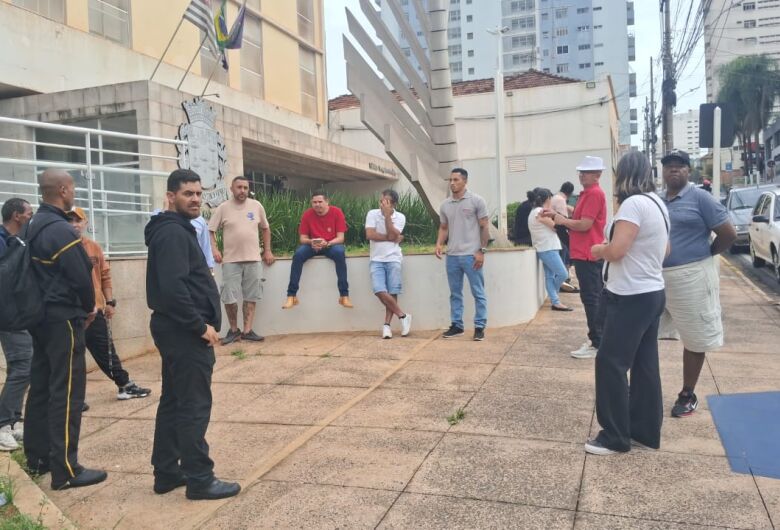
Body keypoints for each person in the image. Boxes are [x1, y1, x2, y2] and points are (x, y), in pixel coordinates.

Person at [145, 169, 240, 500]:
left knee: (174, 401)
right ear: (171, 197)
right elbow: (174, 289)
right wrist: (199, 326)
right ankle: (200, 478)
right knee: (194, 406)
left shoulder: (175, 229)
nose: (196, 199)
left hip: (175, 329)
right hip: (184, 332)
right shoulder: (173, 233)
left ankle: (167, 472)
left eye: (198, 193)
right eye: (188, 194)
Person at [23, 169, 106, 490]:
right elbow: (80, 276)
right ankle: (66, 470)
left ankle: (38, 458)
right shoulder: (60, 230)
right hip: (62, 319)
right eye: (72, 188)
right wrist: (89, 307)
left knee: (42, 387)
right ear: (62, 190)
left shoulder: (34, 224)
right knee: (67, 392)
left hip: (40, 318)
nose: (73, 193)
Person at [584, 151, 670, 455]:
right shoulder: (657, 203)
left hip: (631, 296)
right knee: (645, 365)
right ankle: (644, 431)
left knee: (610, 362)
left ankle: (615, 436)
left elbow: (617, 250)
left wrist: (599, 249)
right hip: (652, 292)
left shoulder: (633, 205)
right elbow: (666, 249)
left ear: (623, 174)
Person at [659, 150, 736, 418]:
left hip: (692, 277)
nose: (674, 170)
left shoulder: (701, 198)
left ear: (688, 171)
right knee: (646, 334)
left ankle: (687, 393)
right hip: (658, 278)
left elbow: (728, 234)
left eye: (680, 166)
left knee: (695, 337)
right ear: (663, 171)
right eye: (669, 166)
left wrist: (707, 254)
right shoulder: (658, 200)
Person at [66, 207, 151, 401]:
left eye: (78, 220)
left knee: (106, 351)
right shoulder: (61, 248)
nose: (74, 225)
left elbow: (105, 275)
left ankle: (124, 385)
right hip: (70, 313)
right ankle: (72, 399)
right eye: (69, 221)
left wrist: (110, 302)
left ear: (85, 223)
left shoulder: (93, 247)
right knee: (71, 357)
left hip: (95, 309)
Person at [551, 156, 608, 359]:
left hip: (587, 254)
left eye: (586, 172)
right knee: (593, 298)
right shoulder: (588, 194)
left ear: (597, 175)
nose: (582, 175)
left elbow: (584, 224)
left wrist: (562, 221)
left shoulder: (593, 194)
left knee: (592, 299)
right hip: (585, 253)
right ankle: (598, 339)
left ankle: (597, 342)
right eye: (581, 172)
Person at [208, 176, 275, 344]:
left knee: (251, 296)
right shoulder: (223, 208)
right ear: (232, 189)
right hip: (231, 261)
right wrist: (214, 249)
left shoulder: (256, 206)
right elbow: (211, 230)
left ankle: (247, 331)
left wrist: (267, 251)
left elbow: (266, 229)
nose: (242, 191)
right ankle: (233, 331)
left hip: (253, 259)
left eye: (245, 187)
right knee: (228, 296)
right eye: (239, 187)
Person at [435, 168, 490, 341]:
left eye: (456, 180)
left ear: (465, 181)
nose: (452, 183)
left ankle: (479, 327)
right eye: (450, 180)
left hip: (471, 255)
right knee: (455, 293)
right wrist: (439, 244)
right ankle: (457, 325)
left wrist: (482, 251)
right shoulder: (445, 205)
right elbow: (444, 227)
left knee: (478, 292)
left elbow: (484, 226)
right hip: (452, 256)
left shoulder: (476, 201)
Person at [0, 198, 33, 451]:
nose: (31, 217)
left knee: (20, 367)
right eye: (28, 213)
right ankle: (3, 425)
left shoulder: (14, 241)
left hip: (17, 315)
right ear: (16, 216)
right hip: (10, 317)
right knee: (23, 367)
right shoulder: (4, 242)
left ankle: (11, 422)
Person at [283, 191, 353, 309]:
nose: (317, 204)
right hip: (313, 245)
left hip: (330, 245)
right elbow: (302, 238)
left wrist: (327, 243)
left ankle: (344, 295)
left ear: (327, 202)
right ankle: (291, 296)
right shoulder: (307, 214)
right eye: (314, 202)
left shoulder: (336, 212)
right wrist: (312, 242)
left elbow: (341, 238)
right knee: (298, 254)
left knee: (339, 253)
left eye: (320, 202)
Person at [365, 189, 412, 339]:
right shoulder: (372, 214)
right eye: (381, 201)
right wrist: (392, 238)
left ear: (394, 204)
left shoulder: (400, 217)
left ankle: (387, 326)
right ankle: (403, 316)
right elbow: (370, 234)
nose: (382, 204)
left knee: (392, 292)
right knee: (379, 290)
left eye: (386, 202)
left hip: (393, 258)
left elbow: (393, 234)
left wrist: (387, 217)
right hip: (376, 259)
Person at [528, 188, 572, 312]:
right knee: (563, 274)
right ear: (547, 198)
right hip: (548, 248)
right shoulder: (540, 211)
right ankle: (554, 295)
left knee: (550, 276)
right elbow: (555, 227)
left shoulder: (535, 211)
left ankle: (555, 301)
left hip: (546, 247)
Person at [550, 181, 578, 293]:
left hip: (553, 231)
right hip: (559, 231)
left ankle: (564, 279)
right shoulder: (561, 200)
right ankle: (564, 280)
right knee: (566, 252)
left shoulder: (555, 197)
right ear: (570, 193)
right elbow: (564, 220)